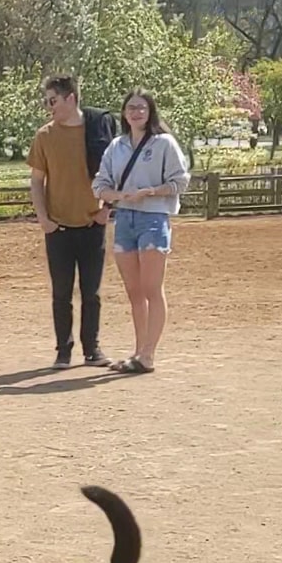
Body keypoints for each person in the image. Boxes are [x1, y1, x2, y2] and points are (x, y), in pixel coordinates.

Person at [93, 91, 190, 376]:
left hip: (154, 218)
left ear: (150, 112)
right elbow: (100, 183)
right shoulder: (116, 146)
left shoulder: (164, 143)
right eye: (131, 107)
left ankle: (148, 354)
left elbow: (181, 180)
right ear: (123, 113)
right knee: (134, 291)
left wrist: (152, 192)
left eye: (142, 107)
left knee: (151, 288)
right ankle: (138, 351)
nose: (136, 112)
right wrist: (118, 195)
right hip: (124, 218)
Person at [28, 78, 113, 369]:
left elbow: (117, 173)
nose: (48, 106)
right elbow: (37, 181)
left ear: (71, 98)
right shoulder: (44, 136)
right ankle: (63, 351)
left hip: (92, 224)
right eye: (46, 101)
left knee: (92, 293)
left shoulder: (98, 132)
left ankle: (93, 349)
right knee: (61, 293)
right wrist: (43, 217)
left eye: (52, 100)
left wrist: (107, 210)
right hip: (59, 228)